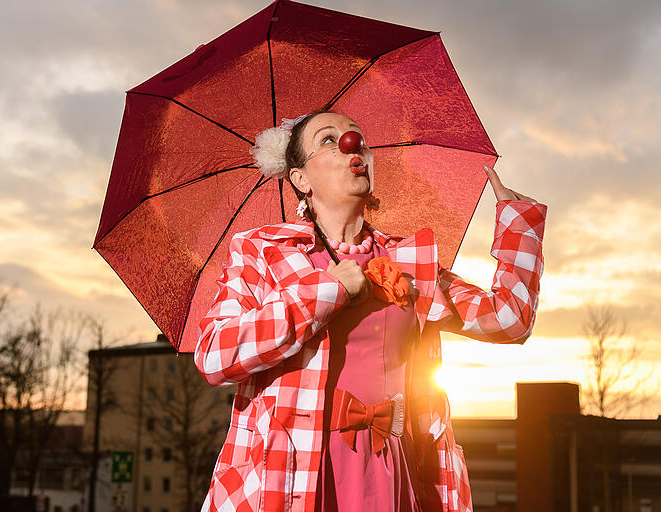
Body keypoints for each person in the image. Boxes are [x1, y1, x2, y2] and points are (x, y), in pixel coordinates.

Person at [194, 108, 547, 512]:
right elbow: (215, 355)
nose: (351, 143)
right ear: (300, 179)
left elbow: (510, 318)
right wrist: (330, 290)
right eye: (328, 139)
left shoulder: (411, 262)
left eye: (356, 135)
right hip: (293, 476)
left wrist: (520, 226)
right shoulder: (261, 251)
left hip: (391, 472)